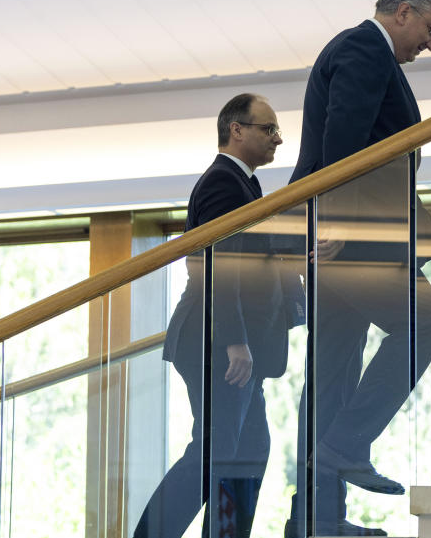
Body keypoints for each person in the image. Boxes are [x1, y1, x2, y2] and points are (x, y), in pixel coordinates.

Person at [285, 0, 431, 537]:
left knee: (332, 376)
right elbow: (344, 139)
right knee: (425, 319)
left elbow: (388, 169)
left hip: (346, 236)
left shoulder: (369, 55)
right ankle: (347, 444)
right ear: (404, 11)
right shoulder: (365, 48)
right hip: (345, 238)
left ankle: (316, 521)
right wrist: (334, 217)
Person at [133, 93, 293, 537]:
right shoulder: (224, 182)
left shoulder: (243, 184)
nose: (278, 138)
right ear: (236, 130)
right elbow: (217, 264)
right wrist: (234, 340)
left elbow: (253, 257)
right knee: (216, 451)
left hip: (227, 339)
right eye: (269, 128)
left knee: (248, 449)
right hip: (216, 340)